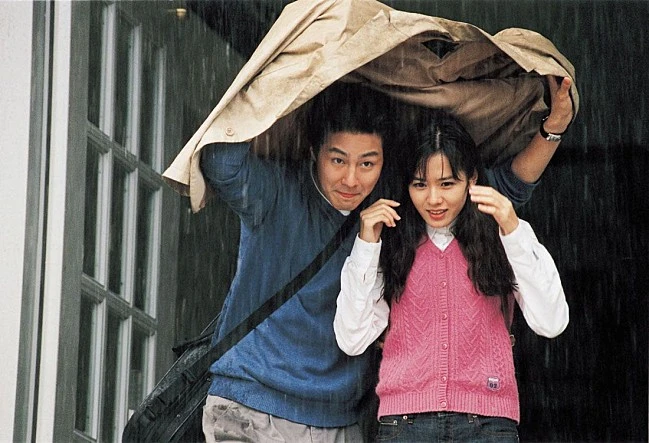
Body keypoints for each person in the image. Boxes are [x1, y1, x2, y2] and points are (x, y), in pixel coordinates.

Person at [199, 77, 572, 442]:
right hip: (253, 403)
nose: (351, 179)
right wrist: (283, 75)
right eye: (338, 160)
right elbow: (220, 161)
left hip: (338, 418)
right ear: (314, 151)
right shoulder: (274, 194)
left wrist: (553, 130)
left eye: (367, 163)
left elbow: (502, 188)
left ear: (384, 162)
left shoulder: (396, 209)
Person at [333, 109, 570, 442]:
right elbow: (352, 340)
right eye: (420, 184)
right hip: (404, 427)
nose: (433, 199)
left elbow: (552, 322)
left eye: (447, 184)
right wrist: (366, 245)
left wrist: (513, 229)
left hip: (488, 425)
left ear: (471, 179)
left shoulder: (501, 235)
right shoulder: (391, 242)